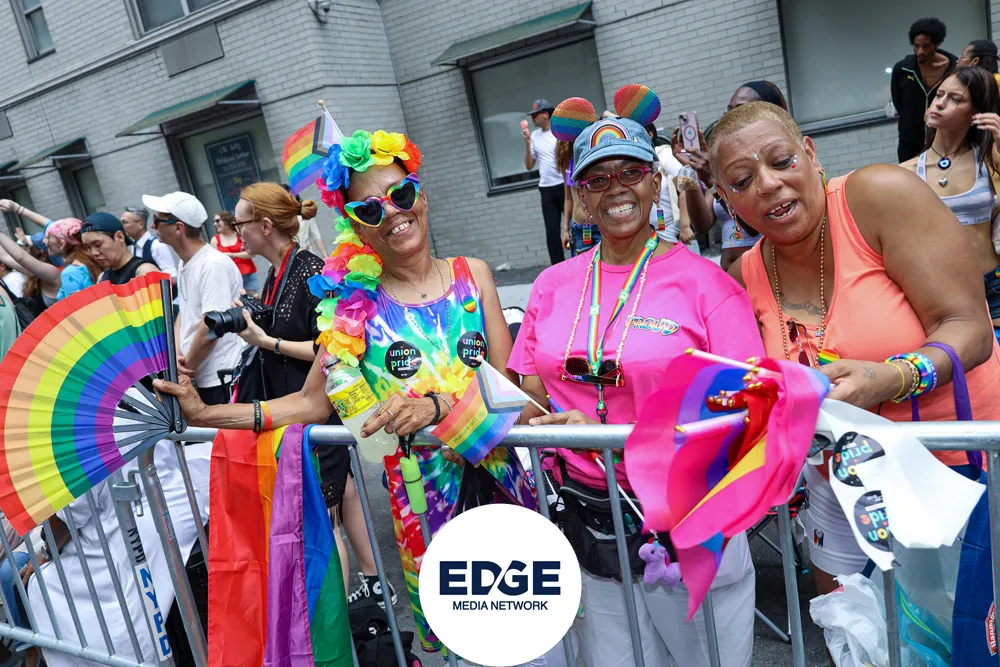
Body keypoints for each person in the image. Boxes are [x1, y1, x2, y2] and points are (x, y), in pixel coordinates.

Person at [154, 126, 534, 656]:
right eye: (370, 208)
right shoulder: (351, 310)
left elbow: (515, 391)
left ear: (421, 194)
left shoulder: (475, 275)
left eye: (402, 194)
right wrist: (206, 414)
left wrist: (442, 408)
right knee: (468, 648)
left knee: (536, 637)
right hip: (426, 509)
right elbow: (309, 404)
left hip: (509, 488)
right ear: (355, 223)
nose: (393, 213)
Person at [709, 100, 1000, 598]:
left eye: (782, 161)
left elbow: (969, 328)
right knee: (852, 629)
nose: (768, 184)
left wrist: (892, 378)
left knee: (966, 626)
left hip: (956, 466)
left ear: (810, 153)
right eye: (742, 180)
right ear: (726, 198)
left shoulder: (878, 196)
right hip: (841, 482)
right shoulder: (743, 277)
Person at [511, 109, 761, 667]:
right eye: (598, 179)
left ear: (654, 181)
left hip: (688, 518)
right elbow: (530, 400)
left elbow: (744, 415)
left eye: (630, 172)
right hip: (589, 520)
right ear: (579, 197)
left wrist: (612, 435)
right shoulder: (552, 285)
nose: (616, 188)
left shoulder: (708, 286)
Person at [230, 181, 393, 608]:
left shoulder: (310, 271)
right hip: (299, 410)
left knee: (326, 517)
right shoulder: (276, 272)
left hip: (318, 410)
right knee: (344, 493)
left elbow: (332, 347)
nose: (235, 233)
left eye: (239, 224)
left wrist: (266, 341)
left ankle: (337, 626)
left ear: (265, 225)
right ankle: (375, 584)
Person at [899, 67, 1000, 341]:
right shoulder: (907, 171)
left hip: (994, 285)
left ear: (975, 113)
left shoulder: (990, 159)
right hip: (942, 292)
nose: (940, 103)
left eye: (955, 99)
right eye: (939, 94)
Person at [143, 191, 243, 406]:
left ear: (178, 228)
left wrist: (186, 367)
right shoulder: (186, 262)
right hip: (201, 372)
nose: (152, 226)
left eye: (157, 220)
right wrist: (177, 356)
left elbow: (211, 326)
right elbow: (185, 311)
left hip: (221, 375)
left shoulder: (213, 265)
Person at [674, 81, 787, 271]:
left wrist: (712, 179)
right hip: (731, 276)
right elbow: (702, 224)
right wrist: (692, 169)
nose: (730, 119)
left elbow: (752, 226)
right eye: (728, 112)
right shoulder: (726, 163)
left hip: (765, 272)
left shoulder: (774, 161)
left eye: (740, 110)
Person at [891, 17, 957, 163]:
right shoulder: (903, 69)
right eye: (916, 46)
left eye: (926, 46)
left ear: (936, 44)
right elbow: (898, 102)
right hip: (910, 141)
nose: (920, 51)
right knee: (908, 175)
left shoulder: (954, 69)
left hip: (943, 138)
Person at [0, 216, 99, 304]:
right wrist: (18, 209)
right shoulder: (91, 260)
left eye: (47, 237)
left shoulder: (68, 272)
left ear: (62, 243)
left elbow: (21, 257)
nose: (44, 241)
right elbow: (7, 257)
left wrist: (19, 210)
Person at [523, 98, 565, 265]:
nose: (533, 118)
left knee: (574, 226)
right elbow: (529, 165)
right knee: (552, 232)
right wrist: (527, 143)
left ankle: (579, 261)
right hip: (546, 188)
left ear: (546, 114)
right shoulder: (534, 136)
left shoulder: (559, 133)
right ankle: (558, 267)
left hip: (564, 186)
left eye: (535, 115)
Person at [645, 122, 699, 252]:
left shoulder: (663, 154)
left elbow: (684, 188)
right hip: (645, 234)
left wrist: (685, 226)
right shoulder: (635, 160)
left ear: (650, 135)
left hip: (669, 230)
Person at [81, 212, 159, 284]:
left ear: (119, 237)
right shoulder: (102, 278)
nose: (94, 253)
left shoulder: (145, 271)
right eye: (88, 247)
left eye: (98, 245)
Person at [556, 139, 601, 255]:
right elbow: (568, 198)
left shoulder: (593, 156)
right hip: (579, 228)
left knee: (604, 264)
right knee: (584, 266)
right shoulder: (566, 162)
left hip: (600, 225)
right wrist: (565, 230)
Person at [121, 205, 177, 278]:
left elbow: (171, 276)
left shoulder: (157, 245)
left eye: (125, 222)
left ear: (140, 224)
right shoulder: (133, 247)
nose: (122, 226)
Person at [211, 211, 260, 294]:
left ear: (226, 220)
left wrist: (234, 255)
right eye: (214, 222)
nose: (215, 224)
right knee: (237, 301)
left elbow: (252, 253)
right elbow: (214, 262)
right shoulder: (215, 240)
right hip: (229, 279)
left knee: (253, 300)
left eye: (217, 221)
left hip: (248, 275)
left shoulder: (239, 235)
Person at [281, 183, 328, 256]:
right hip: (290, 258)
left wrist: (325, 255)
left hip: (308, 254)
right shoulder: (279, 218)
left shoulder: (305, 211)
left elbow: (316, 235)